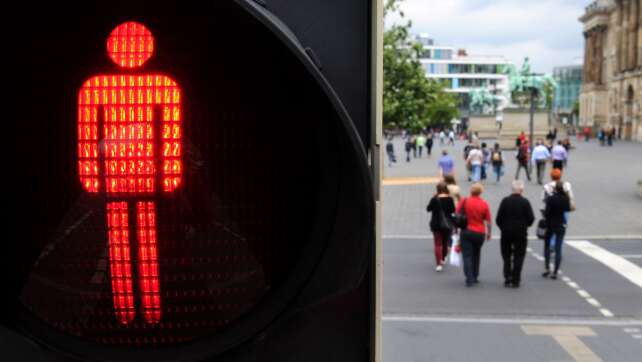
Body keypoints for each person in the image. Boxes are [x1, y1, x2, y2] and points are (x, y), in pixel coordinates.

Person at [495, 180, 535, 288]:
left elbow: (498, 218)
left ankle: (507, 276)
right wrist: (525, 225)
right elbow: (531, 218)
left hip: (506, 232)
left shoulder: (505, 201)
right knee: (519, 255)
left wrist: (503, 227)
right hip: (520, 232)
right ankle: (516, 279)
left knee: (506, 255)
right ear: (521, 190)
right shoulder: (525, 202)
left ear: (512, 189)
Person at [456, 183, 492, 287]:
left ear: (471, 191)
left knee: (467, 255)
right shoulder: (484, 204)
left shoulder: (464, 201)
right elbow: (488, 221)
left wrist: (455, 229)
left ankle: (469, 278)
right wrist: (488, 233)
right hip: (479, 233)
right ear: (481, 192)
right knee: (476, 254)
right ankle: (475, 275)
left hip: (466, 231)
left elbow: (457, 213)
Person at [542, 182, 571, 280]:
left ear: (555, 189)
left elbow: (546, 213)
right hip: (560, 224)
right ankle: (555, 271)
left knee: (547, 246)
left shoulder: (550, 199)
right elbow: (568, 209)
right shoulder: (565, 199)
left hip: (550, 224)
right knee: (558, 248)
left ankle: (547, 268)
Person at [427, 182, 456, 272]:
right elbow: (453, 210)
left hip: (436, 223)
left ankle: (438, 264)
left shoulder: (434, 199)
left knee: (437, 244)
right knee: (445, 242)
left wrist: (433, 198)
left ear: (437, 190)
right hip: (447, 224)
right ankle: (443, 258)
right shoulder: (450, 199)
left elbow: (428, 209)